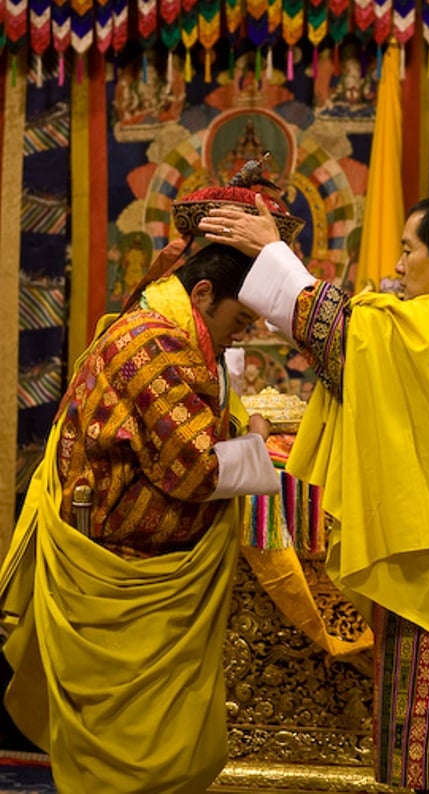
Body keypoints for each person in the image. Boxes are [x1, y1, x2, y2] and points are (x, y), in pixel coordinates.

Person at [198, 193, 429, 794]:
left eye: (409, 249)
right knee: (428, 746)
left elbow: (350, 334)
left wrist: (273, 254)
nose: (400, 264)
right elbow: (355, 352)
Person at [0, 241, 281, 792]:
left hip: (141, 571)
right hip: (124, 575)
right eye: (239, 319)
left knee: (160, 749)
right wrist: (257, 439)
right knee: (139, 757)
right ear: (203, 295)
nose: (242, 335)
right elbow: (198, 470)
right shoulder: (153, 344)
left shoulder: (164, 328)